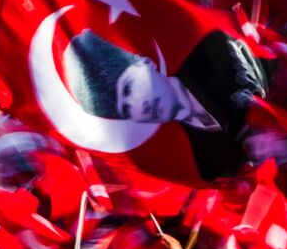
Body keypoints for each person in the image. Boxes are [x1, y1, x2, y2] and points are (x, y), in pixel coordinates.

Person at [63, 29, 273, 180]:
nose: (139, 105)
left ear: (145, 62)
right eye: (126, 109)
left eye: (129, 88)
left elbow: (286, 77)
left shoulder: (215, 52)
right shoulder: (197, 165)